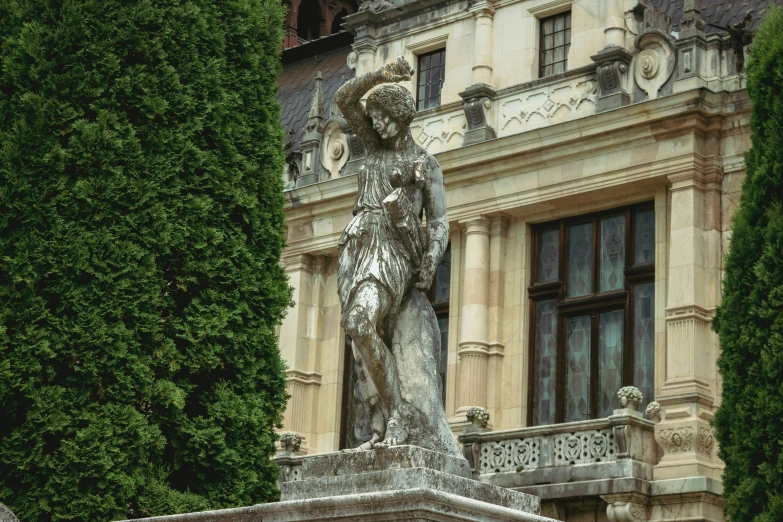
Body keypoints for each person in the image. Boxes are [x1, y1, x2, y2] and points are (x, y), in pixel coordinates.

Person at [335, 56, 449, 449]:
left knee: (362, 322)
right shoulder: (372, 146)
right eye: (374, 116)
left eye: (383, 116)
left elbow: (438, 220)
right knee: (356, 334)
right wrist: (379, 77)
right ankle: (379, 425)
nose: (376, 123)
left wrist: (432, 259)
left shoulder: (424, 163)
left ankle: (400, 411)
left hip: (392, 249)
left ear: (401, 116)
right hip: (356, 244)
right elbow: (343, 98)